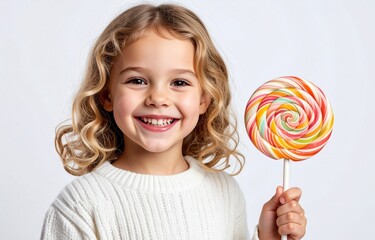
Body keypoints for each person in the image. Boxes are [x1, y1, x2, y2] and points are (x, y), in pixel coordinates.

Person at [41, 3, 307, 240]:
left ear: (204, 98)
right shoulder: (80, 206)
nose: (158, 97)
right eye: (137, 80)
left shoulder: (225, 192)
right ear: (106, 94)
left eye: (179, 82)